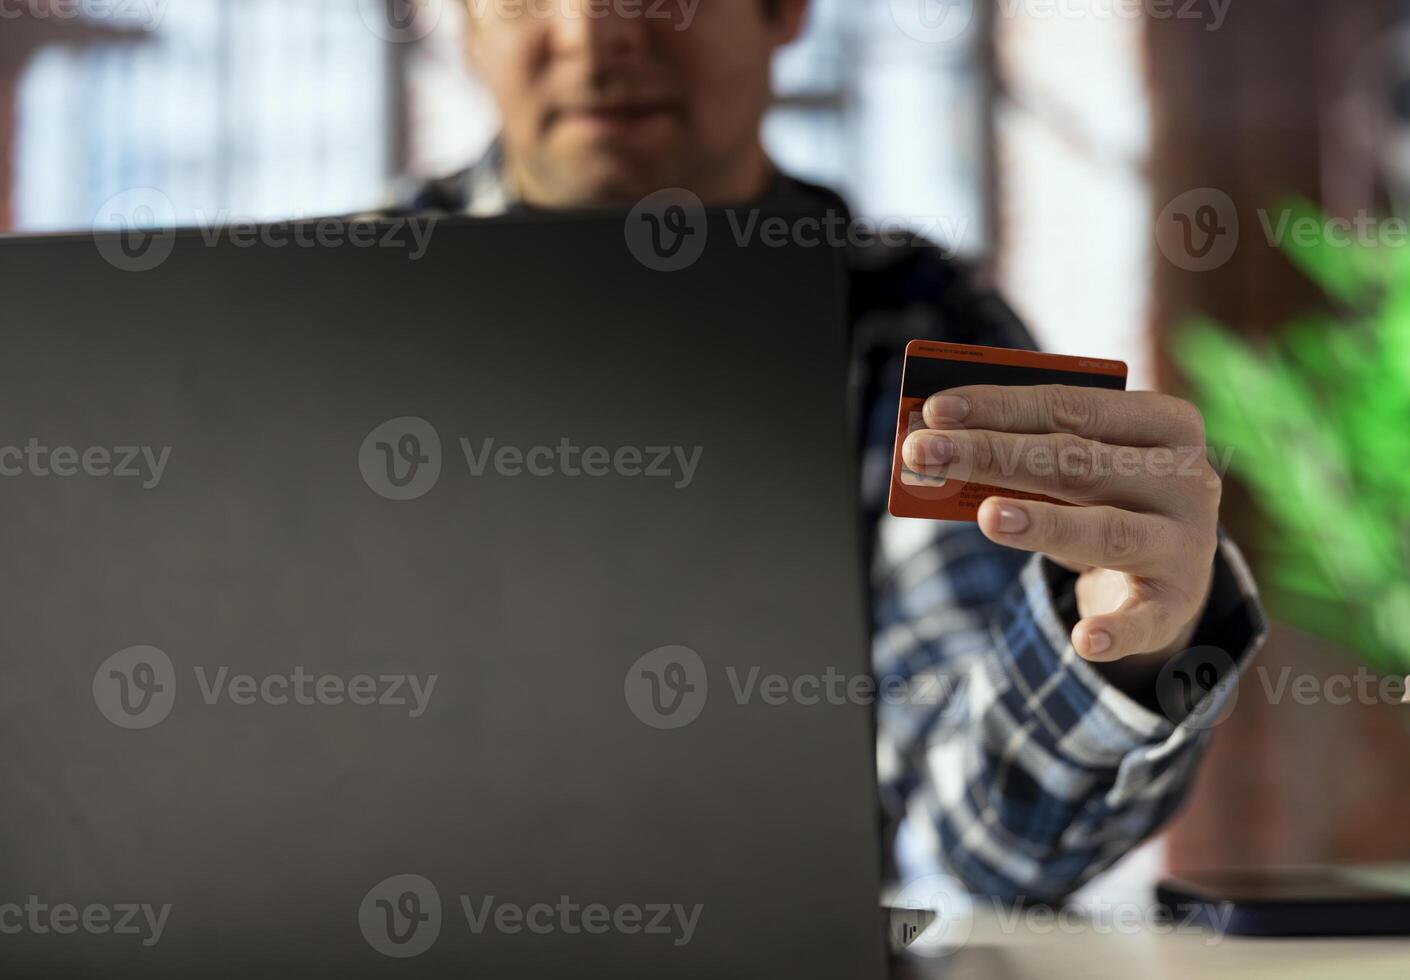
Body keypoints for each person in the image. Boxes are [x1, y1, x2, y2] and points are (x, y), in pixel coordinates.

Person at [406, 0, 1267, 900]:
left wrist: (1115, 638)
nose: (595, 33)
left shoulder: (920, 333)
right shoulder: (292, 323)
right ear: (464, 26)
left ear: (785, 12)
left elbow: (978, 852)